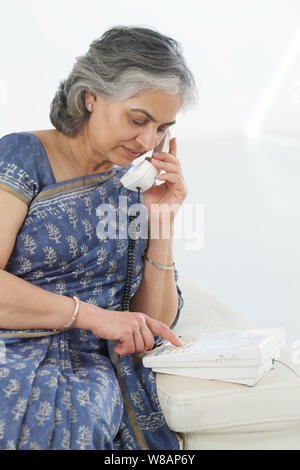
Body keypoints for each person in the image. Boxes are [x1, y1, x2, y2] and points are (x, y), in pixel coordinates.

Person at [0, 26, 198, 450]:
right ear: (91, 96)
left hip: (90, 365)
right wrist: (92, 316)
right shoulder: (22, 156)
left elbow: (156, 320)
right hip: (11, 342)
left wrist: (160, 222)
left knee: (86, 413)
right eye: (138, 119)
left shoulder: (131, 186)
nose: (148, 141)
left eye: (162, 127)